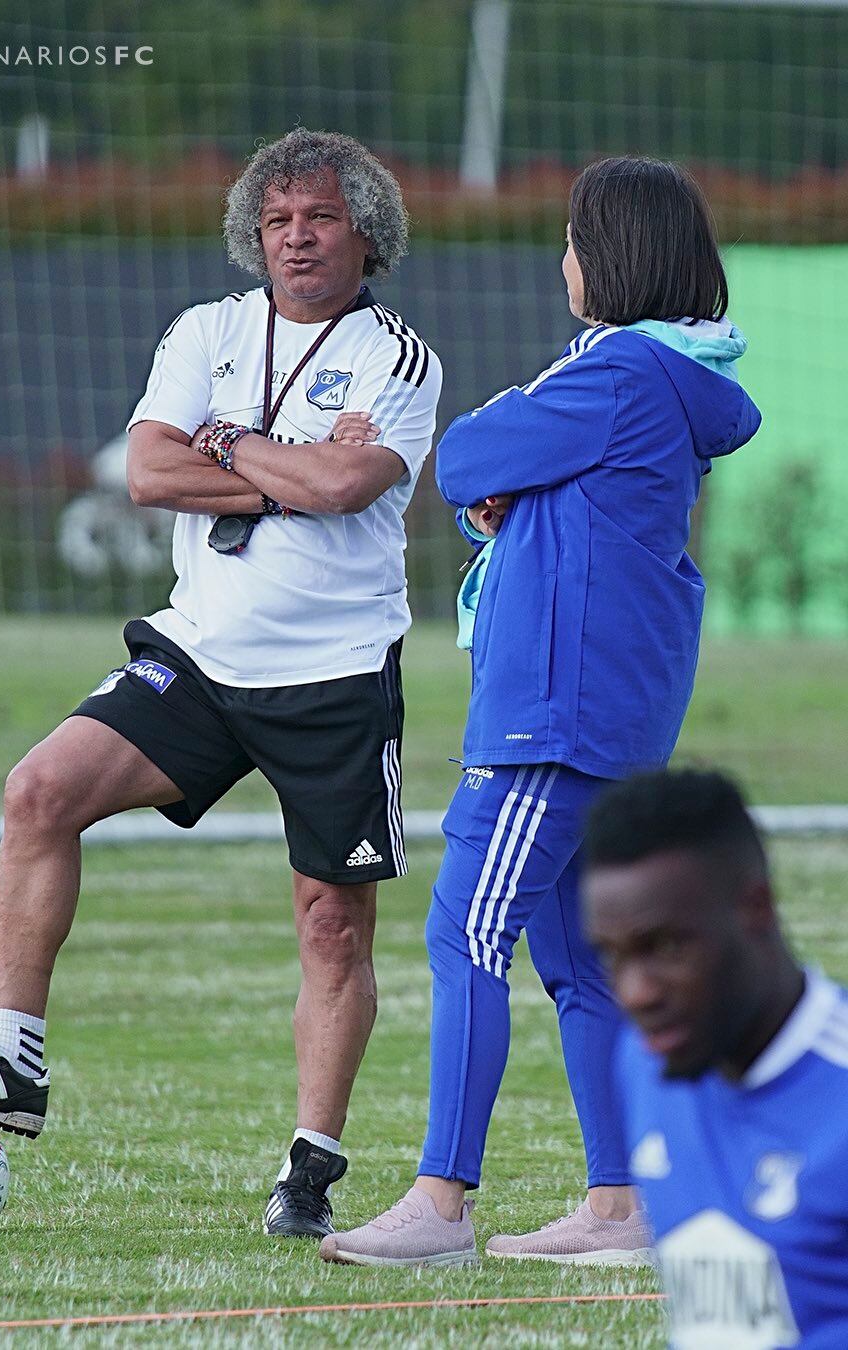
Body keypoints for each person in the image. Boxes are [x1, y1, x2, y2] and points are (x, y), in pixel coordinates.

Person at [0, 127, 442, 1240]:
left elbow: (348, 486)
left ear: (365, 233)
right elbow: (147, 470)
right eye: (276, 222)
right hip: (200, 651)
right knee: (40, 790)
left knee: (333, 927)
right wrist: (280, 465)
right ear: (252, 236)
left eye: (319, 218)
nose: (296, 238)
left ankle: (311, 1167)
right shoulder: (206, 331)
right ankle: (11, 1062)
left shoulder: (399, 356)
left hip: (333, 676)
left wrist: (226, 448)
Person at [321, 156, 761, 1267]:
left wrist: (499, 456)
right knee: (578, 960)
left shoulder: (613, 374)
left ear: (608, 254)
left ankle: (441, 1201)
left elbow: (464, 453)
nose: (560, 258)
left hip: (551, 716)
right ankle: (620, 1207)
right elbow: (521, 504)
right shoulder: (659, 378)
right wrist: (505, 494)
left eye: (571, 238)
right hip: (608, 712)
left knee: (465, 930)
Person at [585, 769, 848, 1349]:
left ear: (755, 908)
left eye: (667, 947)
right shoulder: (646, 1060)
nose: (636, 993)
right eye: (612, 955)